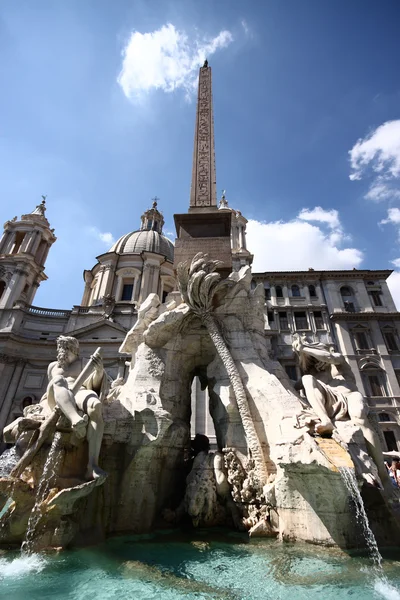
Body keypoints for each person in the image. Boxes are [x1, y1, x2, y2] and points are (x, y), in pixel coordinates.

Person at [292, 333, 390, 491]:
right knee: (307, 380)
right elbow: (292, 385)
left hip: (350, 396)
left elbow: (330, 358)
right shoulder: (314, 375)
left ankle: (382, 473)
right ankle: (326, 421)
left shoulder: (337, 360)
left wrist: (304, 348)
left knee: (358, 415)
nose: (316, 362)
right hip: (331, 403)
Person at [45, 335, 107, 481]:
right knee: (59, 380)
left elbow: (96, 385)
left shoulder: (85, 363)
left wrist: (99, 372)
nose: (62, 351)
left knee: (96, 406)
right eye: (60, 347)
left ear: (75, 351)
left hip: (80, 391)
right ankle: (76, 419)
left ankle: (92, 466)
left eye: (67, 348)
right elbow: (49, 389)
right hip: (58, 396)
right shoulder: (53, 367)